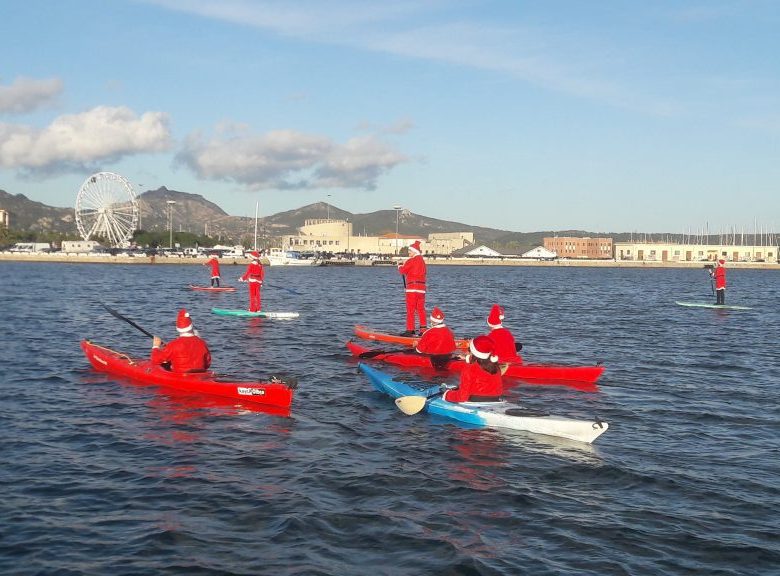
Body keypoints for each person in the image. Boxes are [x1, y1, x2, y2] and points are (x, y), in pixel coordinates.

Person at [442, 335, 503, 403]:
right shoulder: (496, 366)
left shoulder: (469, 367)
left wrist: (446, 394)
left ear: (473, 352)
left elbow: (462, 397)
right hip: (496, 399)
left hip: (475, 399)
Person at [151, 309, 211, 373]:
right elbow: (207, 364)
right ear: (191, 326)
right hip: (200, 376)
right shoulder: (202, 343)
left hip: (181, 376)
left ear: (178, 328)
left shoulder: (174, 345)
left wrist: (156, 346)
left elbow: (155, 360)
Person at [397, 239, 427, 336]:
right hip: (422, 289)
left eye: (409, 251)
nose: (408, 252)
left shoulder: (411, 260)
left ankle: (410, 330)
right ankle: (423, 330)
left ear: (414, 251)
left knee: (410, 310)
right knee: (421, 310)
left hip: (412, 288)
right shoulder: (422, 261)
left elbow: (403, 271)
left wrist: (399, 265)